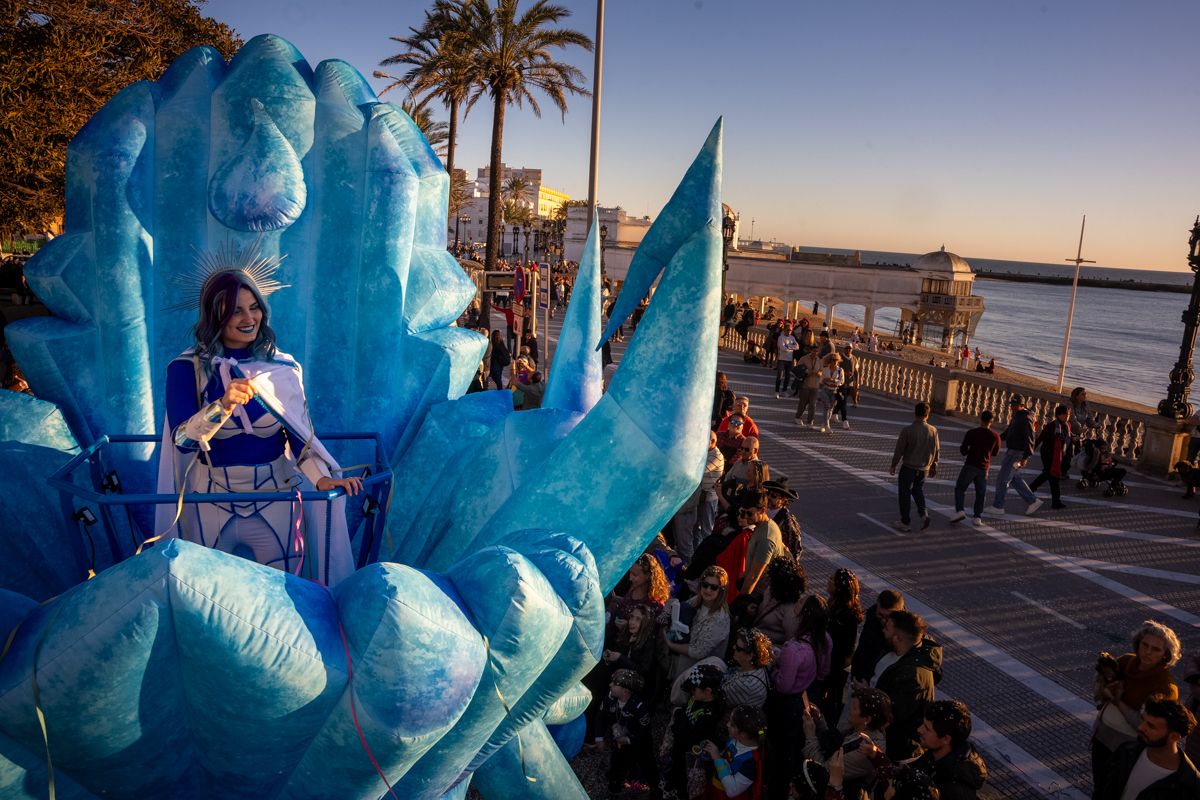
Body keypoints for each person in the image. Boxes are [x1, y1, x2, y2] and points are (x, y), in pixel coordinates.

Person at [160, 262, 359, 587]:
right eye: (235, 311)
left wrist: (322, 480)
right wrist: (221, 407)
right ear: (215, 314)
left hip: (276, 497)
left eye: (254, 308)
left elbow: (300, 441)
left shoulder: (282, 368)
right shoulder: (187, 368)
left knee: (285, 592)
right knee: (211, 596)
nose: (249, 318)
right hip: (211, 499)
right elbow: (182, 440)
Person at [1092, 620, 1183, 789]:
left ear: (1166, 654)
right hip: (1102, 739)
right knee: (1099, 786)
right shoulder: (1126, 661)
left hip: (1128, 751)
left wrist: (1118, 701)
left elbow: (1147, 726)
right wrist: (1103, 687)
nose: (1147, 652)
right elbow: (1097, 693)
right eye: (1144, 645)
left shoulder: (1165, 687)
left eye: (1155, 649)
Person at [1096, 695, 1199, 800]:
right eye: (1143, 720)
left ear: (1174, 737)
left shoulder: (1188, 783)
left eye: (1151, 726)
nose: (1140, 728)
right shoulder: (1126, 751)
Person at [873, 610, 943, 760]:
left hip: (896, 748)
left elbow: (893, 714)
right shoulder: (896, 652)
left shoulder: (913, 676)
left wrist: (868, 697)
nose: (883, 629)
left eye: (887, 628)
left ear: (898, 638)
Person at [802, 688, 893, 799]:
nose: (850, 709)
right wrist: (819, 721)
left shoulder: (865, 749)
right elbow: (835, 742)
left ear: (867, 719)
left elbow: (824, 772)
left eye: (854, 707)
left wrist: (810, 736)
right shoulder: (859, 728)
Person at [660, 664, 726, 800]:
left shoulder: (710, 714)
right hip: (680, 748)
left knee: (684, 784)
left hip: (690, 756)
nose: (691, 693)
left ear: (708, 691)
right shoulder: (698, 698)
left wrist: (679, 716)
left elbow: (688, 733)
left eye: (694, 690)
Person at [664, 565, 732, 681]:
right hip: (680, 663)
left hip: (698, 675)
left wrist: (670, 644)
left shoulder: (720, 619)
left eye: (714, 587)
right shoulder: (696, 600)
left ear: (721, 590)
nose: (708, 590)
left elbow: (698, 652)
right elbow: (680, 622)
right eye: (705, 585)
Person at [910, 700, 988, 799]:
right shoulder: (935, 754)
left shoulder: (953, 791)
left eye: (927, 728)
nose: (919, 730)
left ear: (945, 739)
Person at [599, 668, 656, 794]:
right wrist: (599, 737)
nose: (610, 685)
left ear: (625, 691)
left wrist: (629, 740)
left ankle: (647, 784)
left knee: (641, 763)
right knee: (617, 760)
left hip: (637, 743)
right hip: (618, 741)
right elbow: (601, 718)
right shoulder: (609, 698)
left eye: (614, 684)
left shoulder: (639, 707)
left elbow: (645, 730)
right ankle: (615, 782)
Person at [986, 395, 1042, 518]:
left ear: (1022, 405)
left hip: (1016, 453)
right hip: (1013, 451)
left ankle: (998, 507)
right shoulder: (1018, 415)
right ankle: (1033, 501)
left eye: (1015, 405)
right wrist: (997, 439)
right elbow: (1009, 432)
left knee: (1002, 479)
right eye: (1011, 405)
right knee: (1015, 479)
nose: (1012, 407)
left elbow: (1030, 439)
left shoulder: (1025, 418)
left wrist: (1025, 457)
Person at [888, 402, 939, 533]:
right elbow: (936, 450)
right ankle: (924, 514)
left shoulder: (908, 430)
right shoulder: (933, 430)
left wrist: (893, 464)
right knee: (918, 491)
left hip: (909, 467)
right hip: (924, 469)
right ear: (927, 415)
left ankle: (905, 522)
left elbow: (899, 450)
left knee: (904, 493)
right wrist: (934, 465)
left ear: (915, 413)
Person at [822, 569, 865, 723]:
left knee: (833, 699)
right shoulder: (833, 604)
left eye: (832, 579)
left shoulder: (846, 615)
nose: (828, 580)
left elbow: (846, 647)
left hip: (836, 667)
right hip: (831, 662)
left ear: (840, 588)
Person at [700, 705, 769, 799]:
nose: (727, 724)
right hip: (715, 787)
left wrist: (717, 758)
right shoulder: (735, 740)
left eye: (732, 724)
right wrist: (713, 754)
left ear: (743, 734)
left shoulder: (751, 762)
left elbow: (732, 790)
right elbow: (728, 759)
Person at [950, 410, 1001, 526]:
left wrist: (969, 451)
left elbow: (963, 450)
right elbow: (995, 453)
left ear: (981, 419)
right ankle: (977, 516)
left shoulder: (972, 432)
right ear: (991, 421)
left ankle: (960, 510)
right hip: (984, 468)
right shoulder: (995, 436)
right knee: (981, 493)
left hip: (970, 465)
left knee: (960, 488)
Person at [850, 590, 904, 688]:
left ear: (899, 611)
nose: (883, 620)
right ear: (877, 605)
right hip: (859, 677)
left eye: (888, 616)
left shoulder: (903, 632)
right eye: (880, 614)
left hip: (876, 686)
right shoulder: (872, 616)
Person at [740, 491, 786, 597]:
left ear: (763, 510)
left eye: (749, 513)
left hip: (759, 594)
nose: (745, 517)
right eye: (743, 512)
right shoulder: (763, 525)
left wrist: (741, 601)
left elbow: (754, 576)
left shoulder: (766, 539)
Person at [1029, 404, 1072, 510]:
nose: (1067, 416)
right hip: (1048, 454)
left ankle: (1030, 489)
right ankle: (1055, 502)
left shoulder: (1066, 425)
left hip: (1057, 455)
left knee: (1048, 475)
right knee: (1053, 476)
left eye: (1068, 414)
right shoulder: (1052, 426)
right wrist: (1031, 450)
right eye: (1065, 414)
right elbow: (1040, 438)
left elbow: (1066, 439)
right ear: (1058, 415)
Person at [763, 478, 803, 557]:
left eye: (773, 495)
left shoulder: (787, 521)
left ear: (783, 500)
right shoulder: (761, 510)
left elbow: (796, 549)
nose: (769, 497)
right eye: (768, 493)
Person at [794, 348, 823, 427]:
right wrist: (806, 372)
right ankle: (798, 417)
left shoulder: (819, 360)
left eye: (817, 351)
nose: (815, 353)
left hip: (815, 385)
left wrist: (820, 373)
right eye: (814, 351)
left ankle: (810, 421)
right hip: (805, 385)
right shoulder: (804, 359)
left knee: (813, 404)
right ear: (811, 351)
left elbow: (821, 370)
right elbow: (797, 368)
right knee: (803, 403)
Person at [817, 353, 845, 434]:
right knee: (827, 406)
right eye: (832, 360)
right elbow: (820, 380)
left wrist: (833, 381)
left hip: (834, 391)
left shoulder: (840, 370)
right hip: (825, 390)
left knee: (831, 408)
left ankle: (824, 424)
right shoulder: (825, 369)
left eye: (836, 360)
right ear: (829, 361)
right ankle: (827, 426)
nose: (834, 361)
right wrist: (825, 380)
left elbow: (842, 381)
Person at [776, 322, 800, 398]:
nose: (789, 331)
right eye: (787, 330)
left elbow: (797, 347)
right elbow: (782, 348)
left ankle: (784, 391)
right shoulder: (781, 337)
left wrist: (788, 346)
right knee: (780, 376)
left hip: (789, 360)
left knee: (788, 376)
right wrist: (790, 347)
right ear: (784, 330)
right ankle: (776, 391)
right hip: (782, 359)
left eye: (790, 330)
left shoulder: (792, 338)